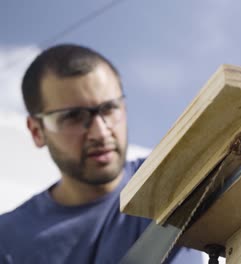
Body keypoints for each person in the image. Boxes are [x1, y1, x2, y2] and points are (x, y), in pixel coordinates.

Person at [0, 44, 202, 263]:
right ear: (37, 131)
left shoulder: (181, 176)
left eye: (109, 108)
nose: (100, 132)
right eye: (73, 116)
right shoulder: (8, 241)